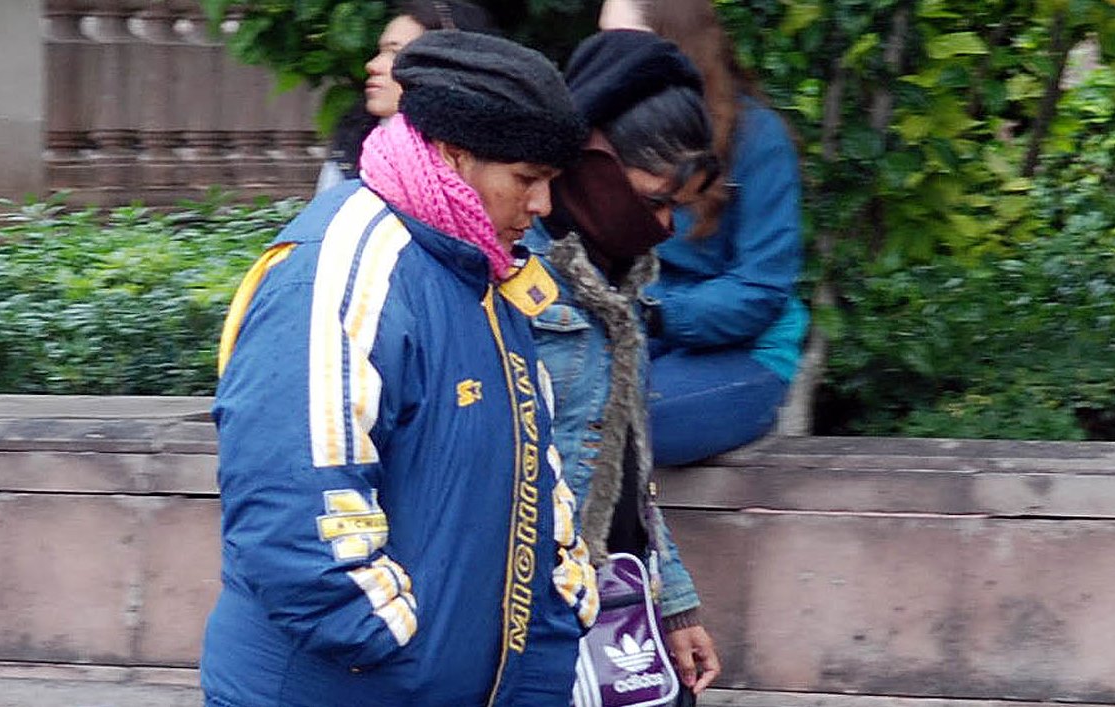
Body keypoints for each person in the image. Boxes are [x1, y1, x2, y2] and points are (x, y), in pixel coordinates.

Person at [202, 30, 598, 707]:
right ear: (453, 154)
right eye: (527, 179)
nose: (542, 207)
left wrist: (559, 613)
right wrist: (391, 643)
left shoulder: (480, 266)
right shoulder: (339, 269)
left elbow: (535, 469)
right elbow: (292, 501)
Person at [523, 30, 722, 701]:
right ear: (593, 160)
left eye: (676, 207)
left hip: (620, 608)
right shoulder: (511, 270)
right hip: (536, 618)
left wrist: (676, 606)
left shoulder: (620, 278)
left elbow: (628, 468)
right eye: (653, 199)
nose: (664, 226)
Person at [600, 0, 810, 465]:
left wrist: (653, 311)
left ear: (674, 46)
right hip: (637, 339)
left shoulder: (758, 138)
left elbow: (760, 289)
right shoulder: (602, 133)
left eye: (622, 42)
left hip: (744, 351)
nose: (605, 58)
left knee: (609, 422)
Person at [315, 0, 496, 193]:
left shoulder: (494, 160)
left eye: (396, 53)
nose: (372, 65)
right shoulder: (351, 149)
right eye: (381, 52)